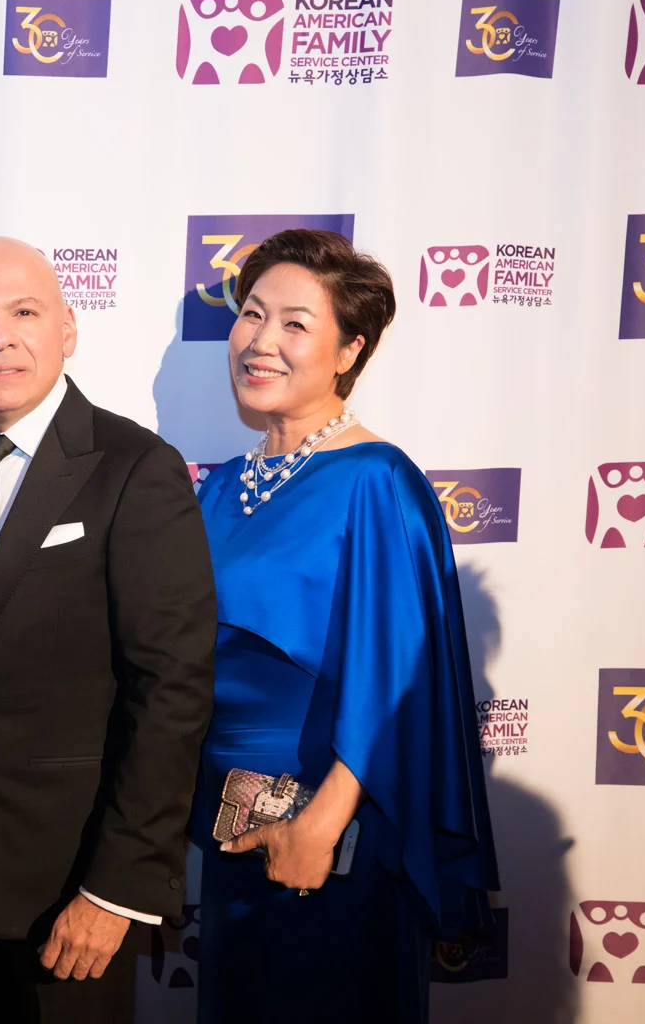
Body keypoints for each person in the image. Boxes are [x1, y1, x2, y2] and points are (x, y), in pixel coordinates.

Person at [0, 237, 217, 1023]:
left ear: (68, 330)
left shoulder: (135, 466)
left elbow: (171, 690)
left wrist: (117, 886)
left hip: (69, 890)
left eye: (25, 312)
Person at [192, 229, 499, 1022]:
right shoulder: (219, 488)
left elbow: (399, 681)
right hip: (231, 834)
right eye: (252, 314)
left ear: (349, 350)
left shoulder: (377, 479)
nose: (261, 341)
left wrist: (319, 828)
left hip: (336, 838)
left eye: (295, 324)